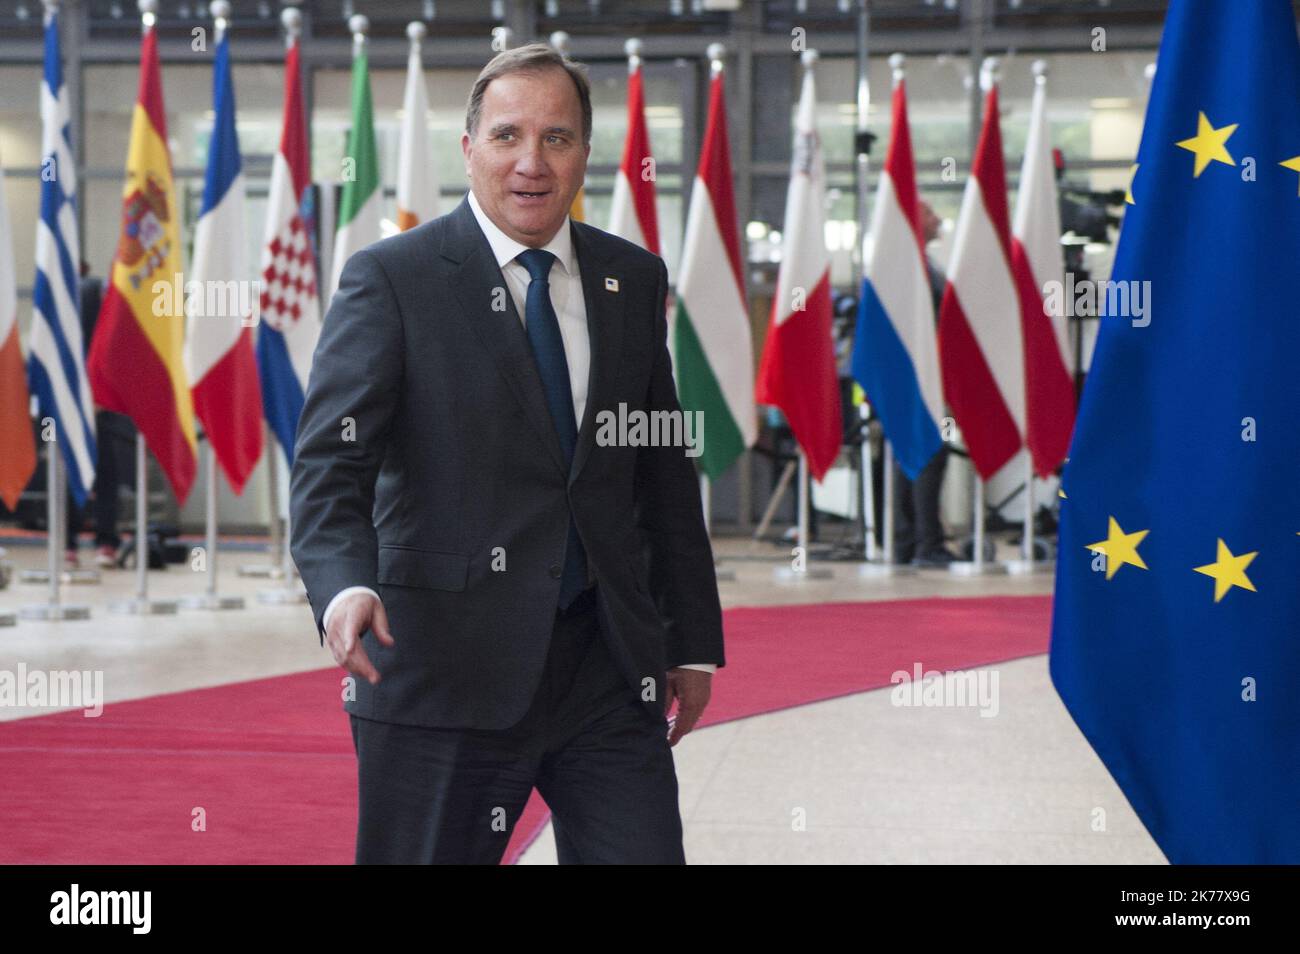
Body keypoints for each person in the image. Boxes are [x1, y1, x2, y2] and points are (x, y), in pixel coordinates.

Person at [290, 44, 724, 865]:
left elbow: (662, 474)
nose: (532, 162)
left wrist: (689, 640)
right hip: (441, 667)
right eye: (507, 136)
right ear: (469, 149)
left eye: (557, 138)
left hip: (606, 671)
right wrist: (343, 581)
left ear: (584, 154)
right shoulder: (392, 278)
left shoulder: (631, 280)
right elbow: (329, 463)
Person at [894, 200, 957, 566]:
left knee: (918, 458)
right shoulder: (909, 265)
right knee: (925, 456)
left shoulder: (925, 263)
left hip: (927, 376)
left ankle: (910, 541)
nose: (939, 219)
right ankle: (923, 544)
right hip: (916, 378)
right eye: (931, 213)